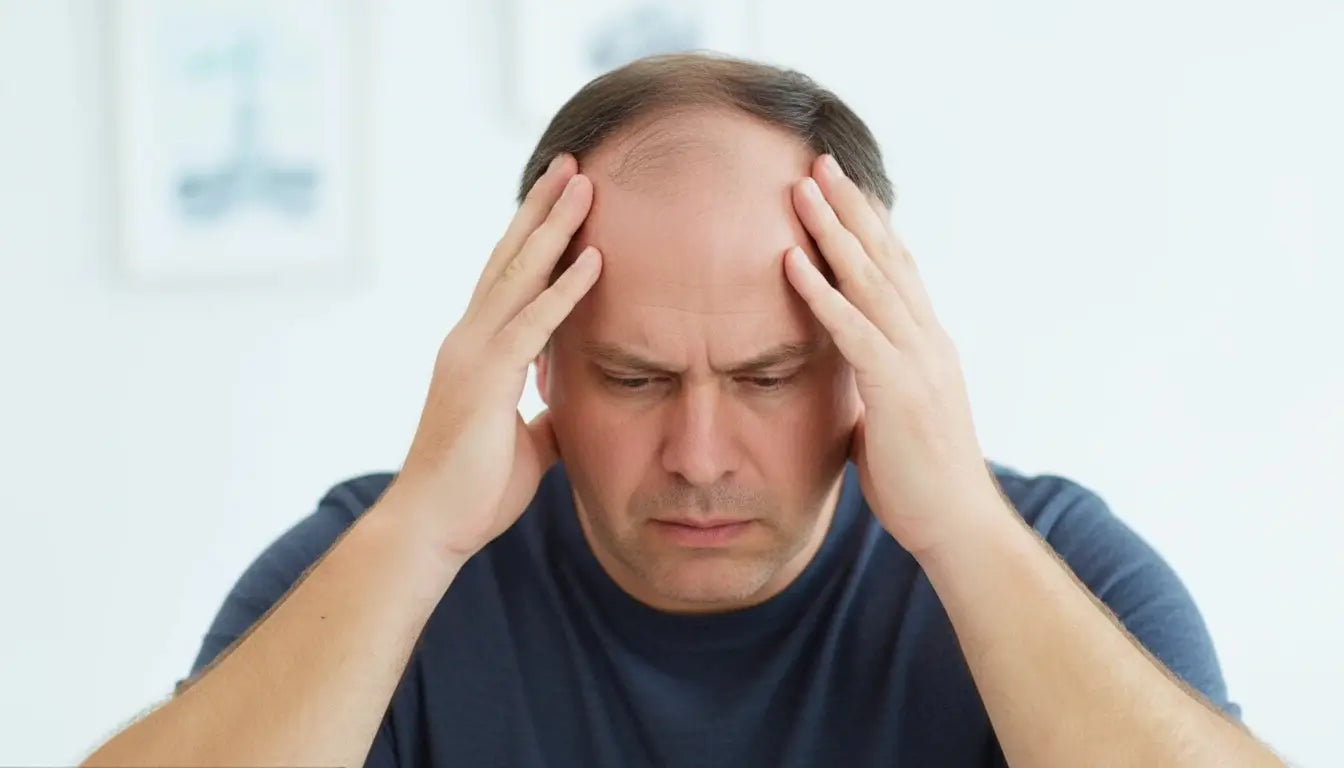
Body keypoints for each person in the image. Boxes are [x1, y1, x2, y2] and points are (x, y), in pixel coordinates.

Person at [82, 53, 1283, 767]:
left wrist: (964, 532)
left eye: (766, 377)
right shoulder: (373, 565)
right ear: (537, 362)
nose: (700, 459)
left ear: (869, 359)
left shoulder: (1052, 563)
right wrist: (416, 537)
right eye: (633, 378)